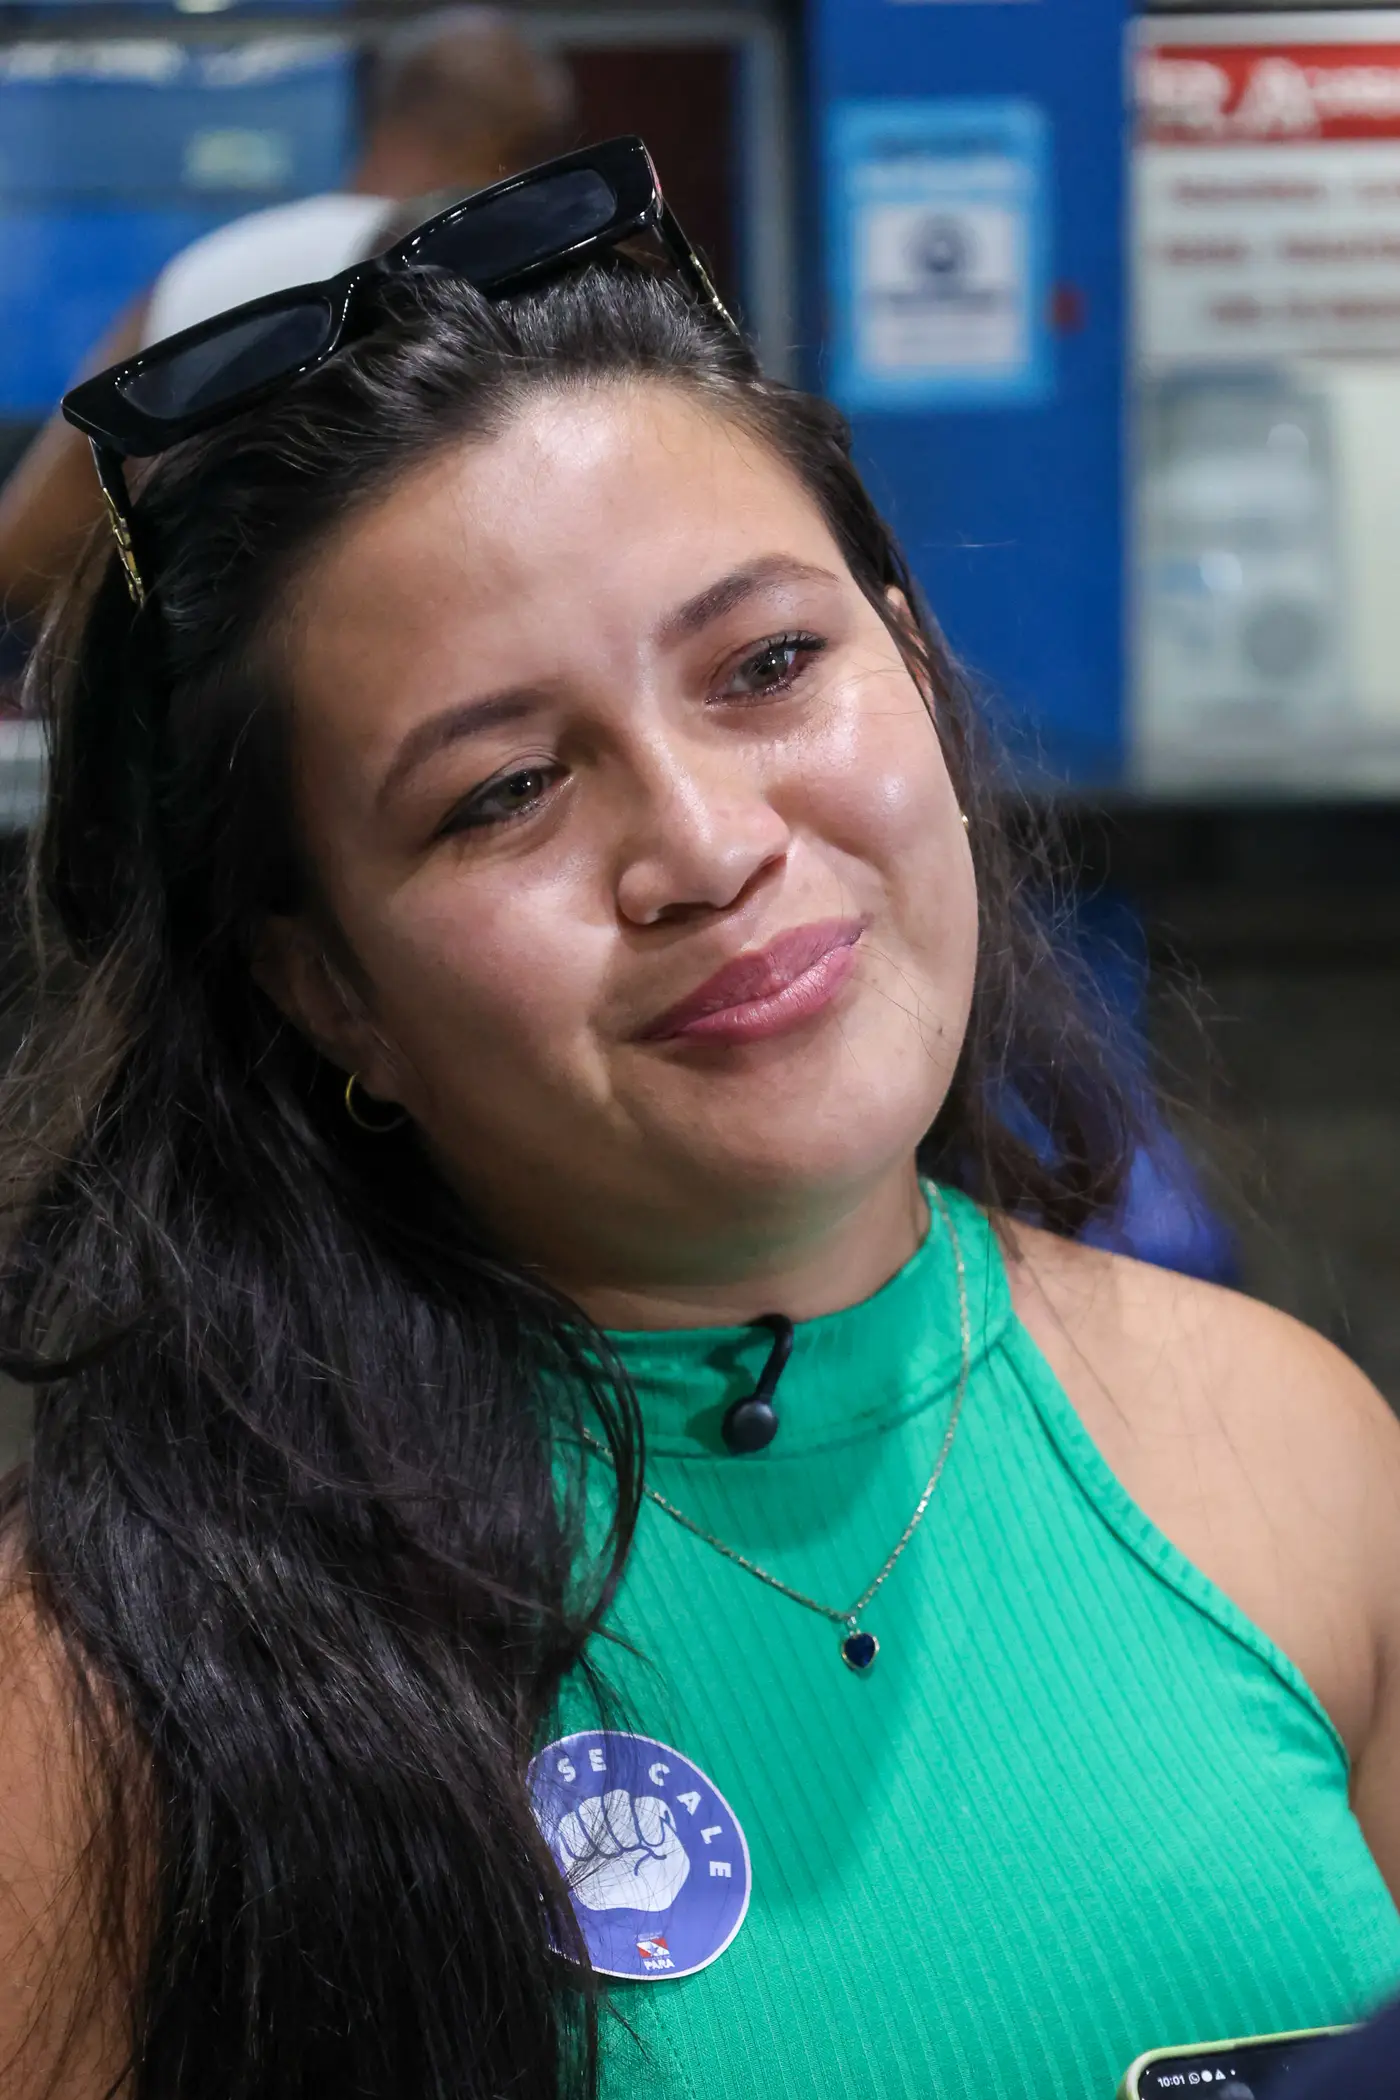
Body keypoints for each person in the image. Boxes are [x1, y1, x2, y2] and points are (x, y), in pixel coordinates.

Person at [2, 140, 1400, 2100]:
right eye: (503, 791)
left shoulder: (1292, 1449)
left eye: (768, 666)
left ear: (915, 664)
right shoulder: (110, 1706)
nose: (706, 845)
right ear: (327, 987)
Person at [0, 7, 574, 627]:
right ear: (521, 152)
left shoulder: (210, 269)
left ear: (383, 114)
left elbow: (26, 549)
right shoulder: (509, 292)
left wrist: (158, 646)